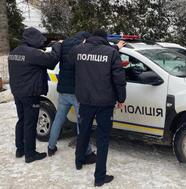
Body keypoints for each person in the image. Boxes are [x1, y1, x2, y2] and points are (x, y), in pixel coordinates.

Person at [69, 29, 126, 187]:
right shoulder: (111, 53)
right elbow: (119, 79)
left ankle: (79, 161)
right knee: (102, 139)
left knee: (84, 132)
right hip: (105, 103)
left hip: (85, 101)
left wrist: (82, 44)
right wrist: (121, 98)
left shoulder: (78, 50)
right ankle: (99, 177)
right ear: (105, 38)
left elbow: (70, 57)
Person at [8, 27, 61, 163]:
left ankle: (20, 149)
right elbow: (51, 61)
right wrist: (56, 46)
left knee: (22, 120)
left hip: (18, 92)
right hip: (30, 93)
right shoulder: (32, 53)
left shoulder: (14, 52)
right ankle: (30, 154)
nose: (41, 42)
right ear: (33, 39)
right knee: (30, 123)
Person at [47, 32, 97, 163]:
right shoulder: (82, 47)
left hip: (63, 90)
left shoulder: (64, 45)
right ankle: (85, 152)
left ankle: (51, 147)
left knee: (58, 119)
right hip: (77, 92)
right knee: (82, 122)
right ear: (84, 39)